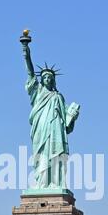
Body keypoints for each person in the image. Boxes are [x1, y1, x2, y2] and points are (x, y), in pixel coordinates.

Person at [22, 43, 80, 189]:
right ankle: (41, 183)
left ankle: (56, 182)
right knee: (41, 155)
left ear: (53, 80)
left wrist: (72, 115)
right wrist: (26, 51)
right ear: (41, 80)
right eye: (45, 77)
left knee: (56, 155)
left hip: (55, 130)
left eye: (50, 77)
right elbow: (30, 73)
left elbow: (67, 122)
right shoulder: (38, 92)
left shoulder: (58, 97)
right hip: (40, 129)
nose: (47, 79)